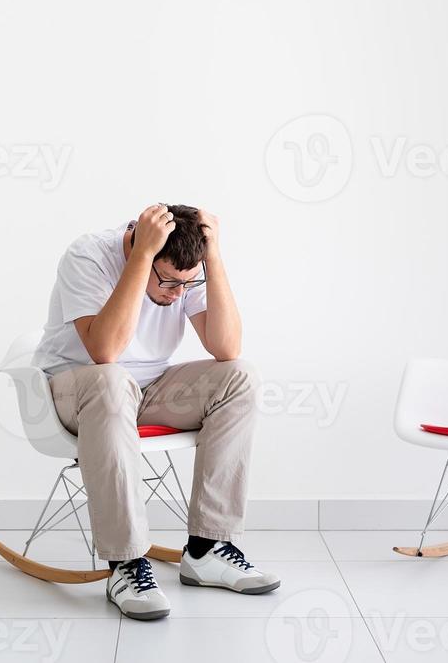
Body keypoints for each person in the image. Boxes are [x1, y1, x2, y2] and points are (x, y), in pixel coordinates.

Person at [32, 202, 280, 621]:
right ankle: (125, 563)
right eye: (167, 281)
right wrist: (142, 256)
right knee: (112, 378)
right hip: (76, 389)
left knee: (240, 375)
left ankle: (208, 549)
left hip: (148, 389)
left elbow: (226, 348)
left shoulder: (185, 269)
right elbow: (105, 351)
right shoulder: (88, 255)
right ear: (139, 249)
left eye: (187, 283)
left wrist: (213, 258)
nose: (177, 293)